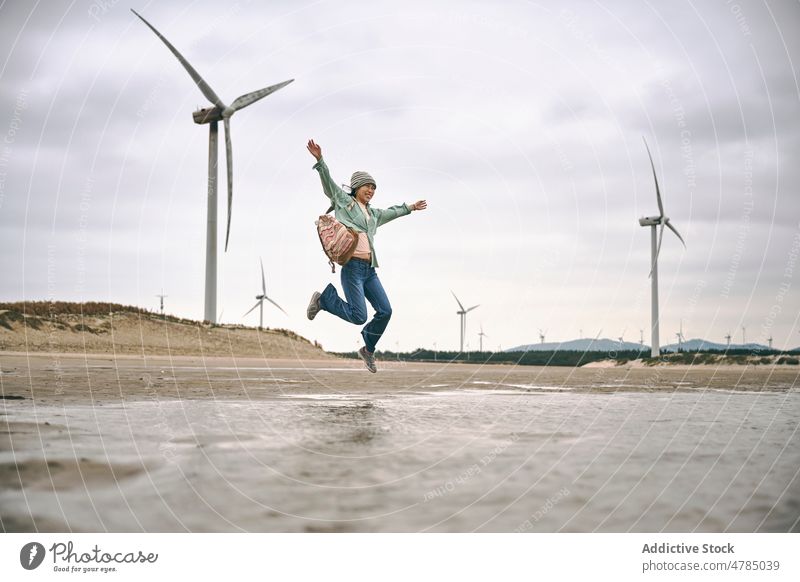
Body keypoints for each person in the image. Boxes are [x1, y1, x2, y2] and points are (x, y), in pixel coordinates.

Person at [305, 139, 427, 373]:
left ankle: (368, 349)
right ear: (357, 187)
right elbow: (329, 184)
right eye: (367, 186)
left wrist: (410, 207)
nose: (371, 191)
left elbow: (392, 212)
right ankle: (324, 299)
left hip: (369, 270)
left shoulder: (373, 214)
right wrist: (320, 161)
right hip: (351, 268)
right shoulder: (344, 202)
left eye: (373, 188)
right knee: (359, 315)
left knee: (386, 311)